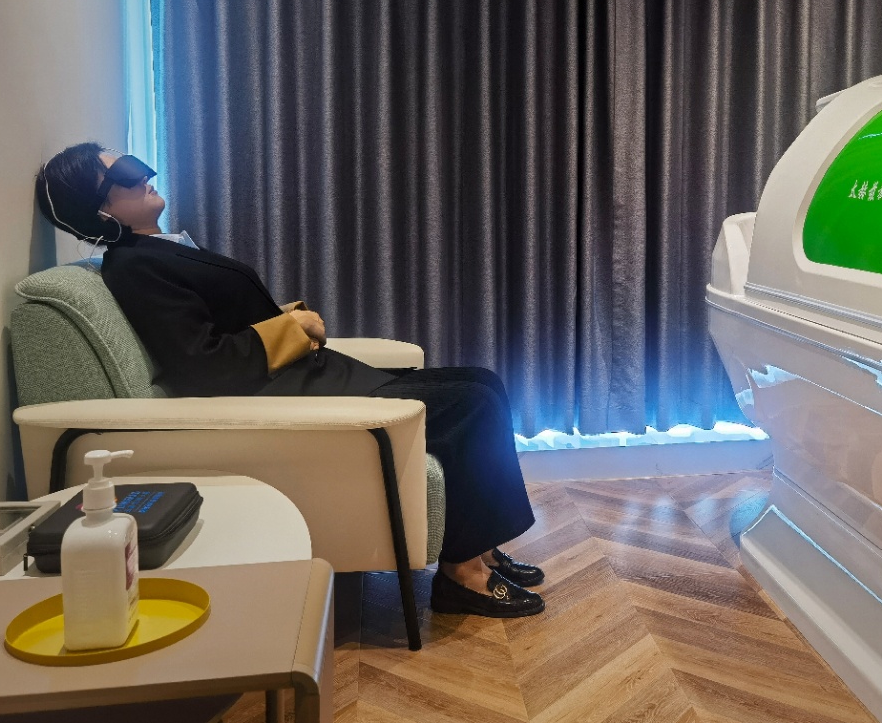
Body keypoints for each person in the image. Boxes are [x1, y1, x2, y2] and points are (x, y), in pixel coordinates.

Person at [34, 143, 545, 618]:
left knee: (483, 382)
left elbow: (219, 323)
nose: (144, 175)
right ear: (102, 209)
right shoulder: (134, 266)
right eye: (124, 174)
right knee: (473, 402)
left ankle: (480, 546)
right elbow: (201, 363)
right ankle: (462, 576)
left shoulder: (161, 248)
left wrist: (286, 320)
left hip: (304, 378)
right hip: (290, 397)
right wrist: (292, 329)